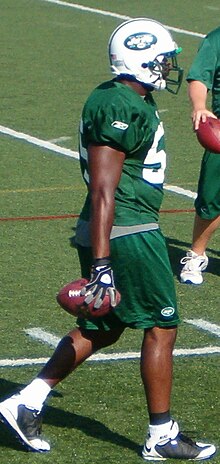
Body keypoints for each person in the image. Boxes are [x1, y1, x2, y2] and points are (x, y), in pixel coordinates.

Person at [0, 19, 216, 461]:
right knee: (162, 324)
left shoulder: (124, 97)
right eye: (163, 59)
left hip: (119, 227)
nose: (169, 66)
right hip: (127, 229)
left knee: (105, 324)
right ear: (139, 58)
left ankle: (27, 401)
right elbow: (103, 190)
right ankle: (161, 434)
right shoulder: (120, 105)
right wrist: (102, 263)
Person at [180, 26, 220, 285]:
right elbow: (199, 78)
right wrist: (199, 106)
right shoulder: (216, 40)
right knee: (211, 199)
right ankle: (196, 254)